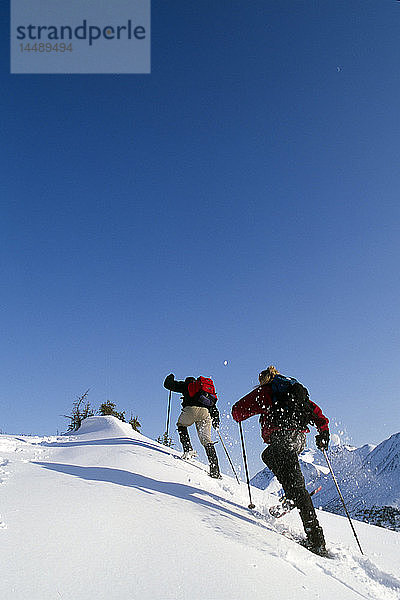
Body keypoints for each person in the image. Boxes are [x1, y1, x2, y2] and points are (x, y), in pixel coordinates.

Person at [231, 365, 330, 555]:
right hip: (299, 439)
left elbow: (238, 411)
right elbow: (315, 411)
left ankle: (316, 540)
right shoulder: (294, 390)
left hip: (283, 438)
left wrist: (239, 415)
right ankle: (292, 494)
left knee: (298, 487)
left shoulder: (268, 391)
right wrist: (323, 432)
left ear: (265, 378)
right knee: (268, 455)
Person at [163, 373, 222, 479]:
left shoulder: (186, 385)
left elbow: (168, 384)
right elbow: (213, 406)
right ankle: (215, 471)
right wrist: (216, 420)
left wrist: (170, 376)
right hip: (205, 413)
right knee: (207, 441)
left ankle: (188, 449)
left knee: (181, 424)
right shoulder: (204, 390)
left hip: (190, 410)